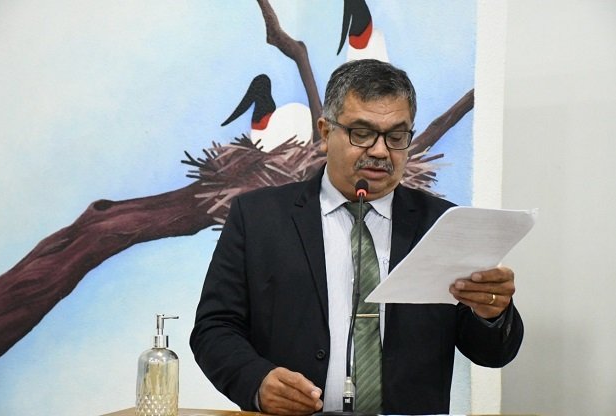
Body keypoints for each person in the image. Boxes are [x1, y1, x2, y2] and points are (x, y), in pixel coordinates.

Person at [190, 59, 523, 415]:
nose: (380, 151)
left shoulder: (443, 224)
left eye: (396, 137)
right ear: (324, 132)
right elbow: (214, 328)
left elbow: (492, 353)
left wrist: (492, 312)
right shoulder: (258, 217)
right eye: (362, 133)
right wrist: (257, 381)